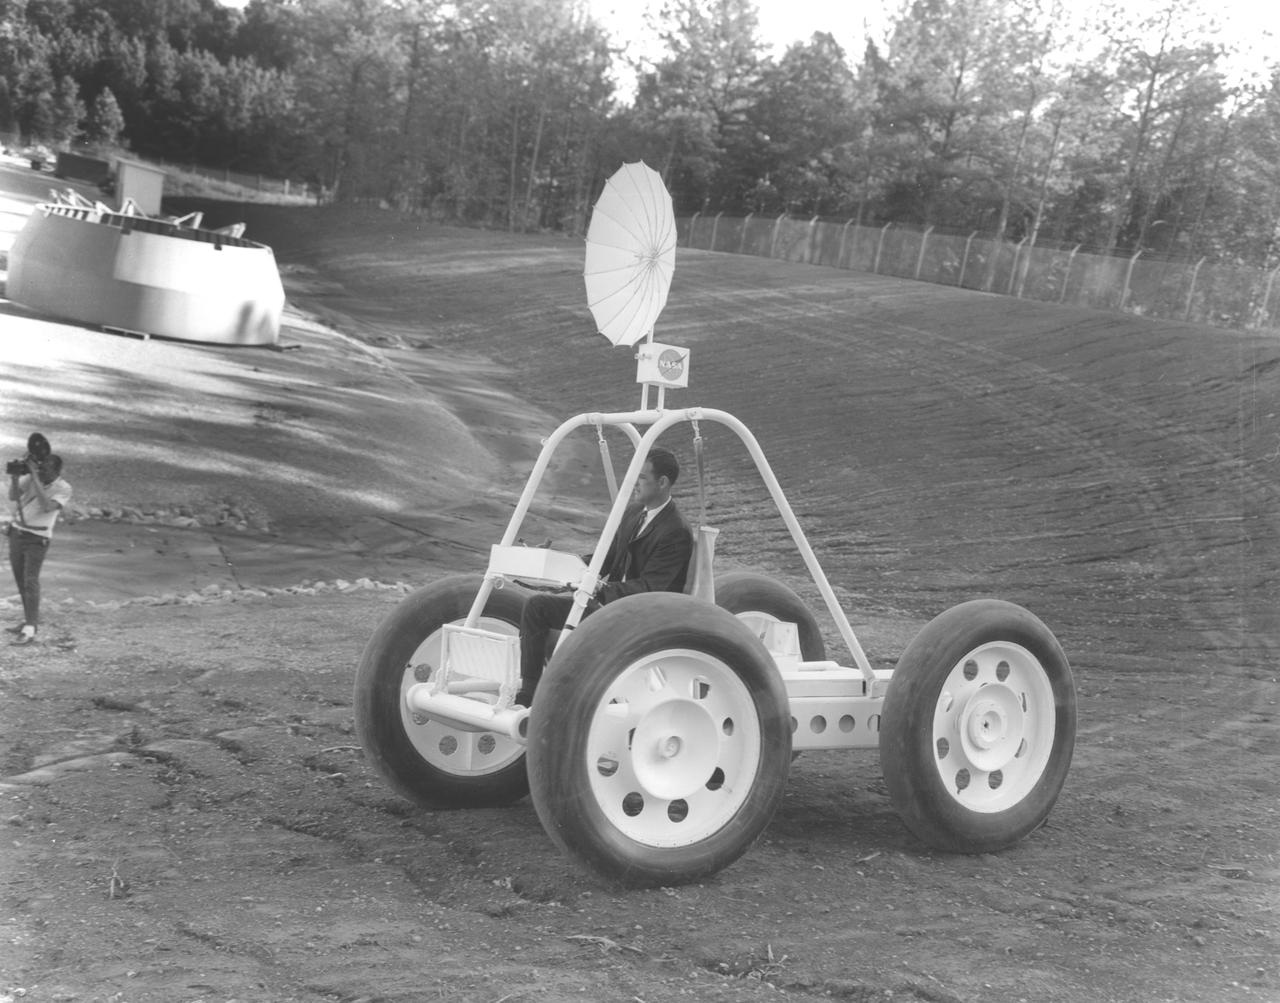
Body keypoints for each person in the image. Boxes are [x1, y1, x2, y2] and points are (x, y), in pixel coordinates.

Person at [517, 446, 693, 704]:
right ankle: (528, 695)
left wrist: (601, 590)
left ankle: (570, 700)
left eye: (641, 477)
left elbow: (650, 589)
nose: (634, 483)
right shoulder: (633, 512)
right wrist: (557, 561)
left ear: (663, 482)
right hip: (609, 606)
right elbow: (603, 559)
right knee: (536, 607)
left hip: (641, 616)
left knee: (578, 621)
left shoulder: (676, 531)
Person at [6, 443, 72, 646]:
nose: (42, 472)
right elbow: (13, 496)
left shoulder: (63, 488)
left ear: (57, 471)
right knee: (20, 580)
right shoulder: (32, 478)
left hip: (37, 539)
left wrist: (35, 476)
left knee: (30, 580)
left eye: (45, 470)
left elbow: (46, 506)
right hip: (17, 533)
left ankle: (31, 628)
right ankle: (28, 620)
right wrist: (16, 479)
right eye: (40, 468)